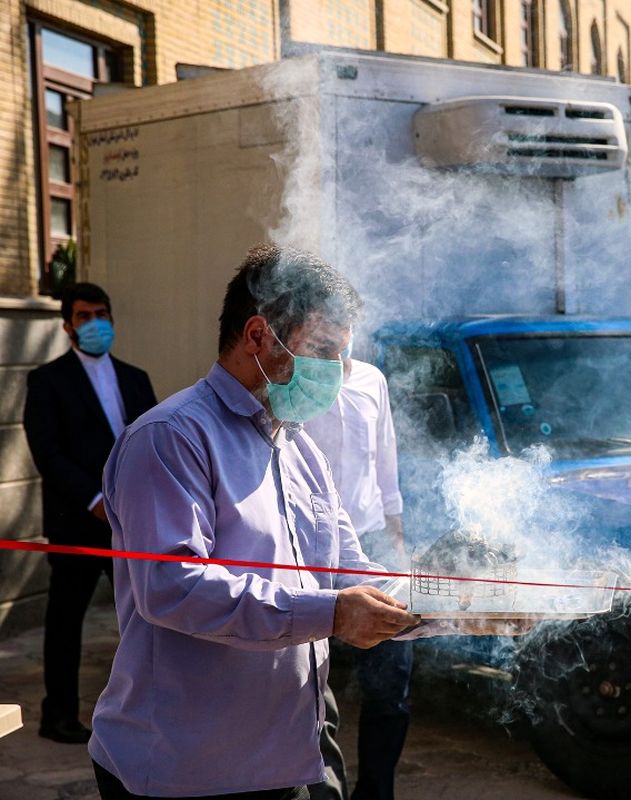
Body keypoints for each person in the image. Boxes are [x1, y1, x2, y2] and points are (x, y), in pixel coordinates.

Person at [88, 246, 421, 799]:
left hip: (289, 756)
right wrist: (332, 614)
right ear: (259, 336)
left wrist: (448, 607)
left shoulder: (299, 448)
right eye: (322, 350)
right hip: (186, 770)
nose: (337, 373)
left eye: (344, 355)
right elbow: (173, 587)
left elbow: (346, 572)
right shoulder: (170, 437)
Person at [22, 282, 156, 744]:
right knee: (65, 622)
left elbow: (153, 442)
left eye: (102, 313)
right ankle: (57, 715)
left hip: (132, 523)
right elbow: (48, 452)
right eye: (84, 315)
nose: (95, 323)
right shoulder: (46, 381)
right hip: (79, 521)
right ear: (67, 324)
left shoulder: (136, 377)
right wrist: (94, 500)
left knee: (145, 619)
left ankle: (152, 709)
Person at [305, 351, 412, 800]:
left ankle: (376, 792)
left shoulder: (372, 380)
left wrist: (398, 542)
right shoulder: (296, 384)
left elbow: (385, 464)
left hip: (369, 543)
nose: (338, 353)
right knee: (307, 685)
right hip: (306, 552)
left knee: (391, 685)